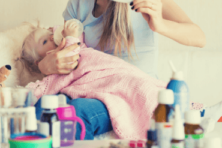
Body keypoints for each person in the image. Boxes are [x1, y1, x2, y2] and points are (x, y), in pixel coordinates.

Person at [27, 0, 206, 140]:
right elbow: (72, 61)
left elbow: (199, 37)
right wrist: (45, 66)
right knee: (43, 110)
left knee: (72, 116)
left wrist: (159, 24)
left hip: (129, 93)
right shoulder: (77, 4)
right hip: (87, 88)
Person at [20, 22, 222, 139]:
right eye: (45, 41)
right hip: (84, 92)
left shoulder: (74, 45)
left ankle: (196, 115)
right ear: (39, 61)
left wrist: (67, 34)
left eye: (49, 33)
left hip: (112, 82)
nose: (51, 37)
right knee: (52, 109)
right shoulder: (54, 70)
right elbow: (32, 95)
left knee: (140, 88)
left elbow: (76, 39)